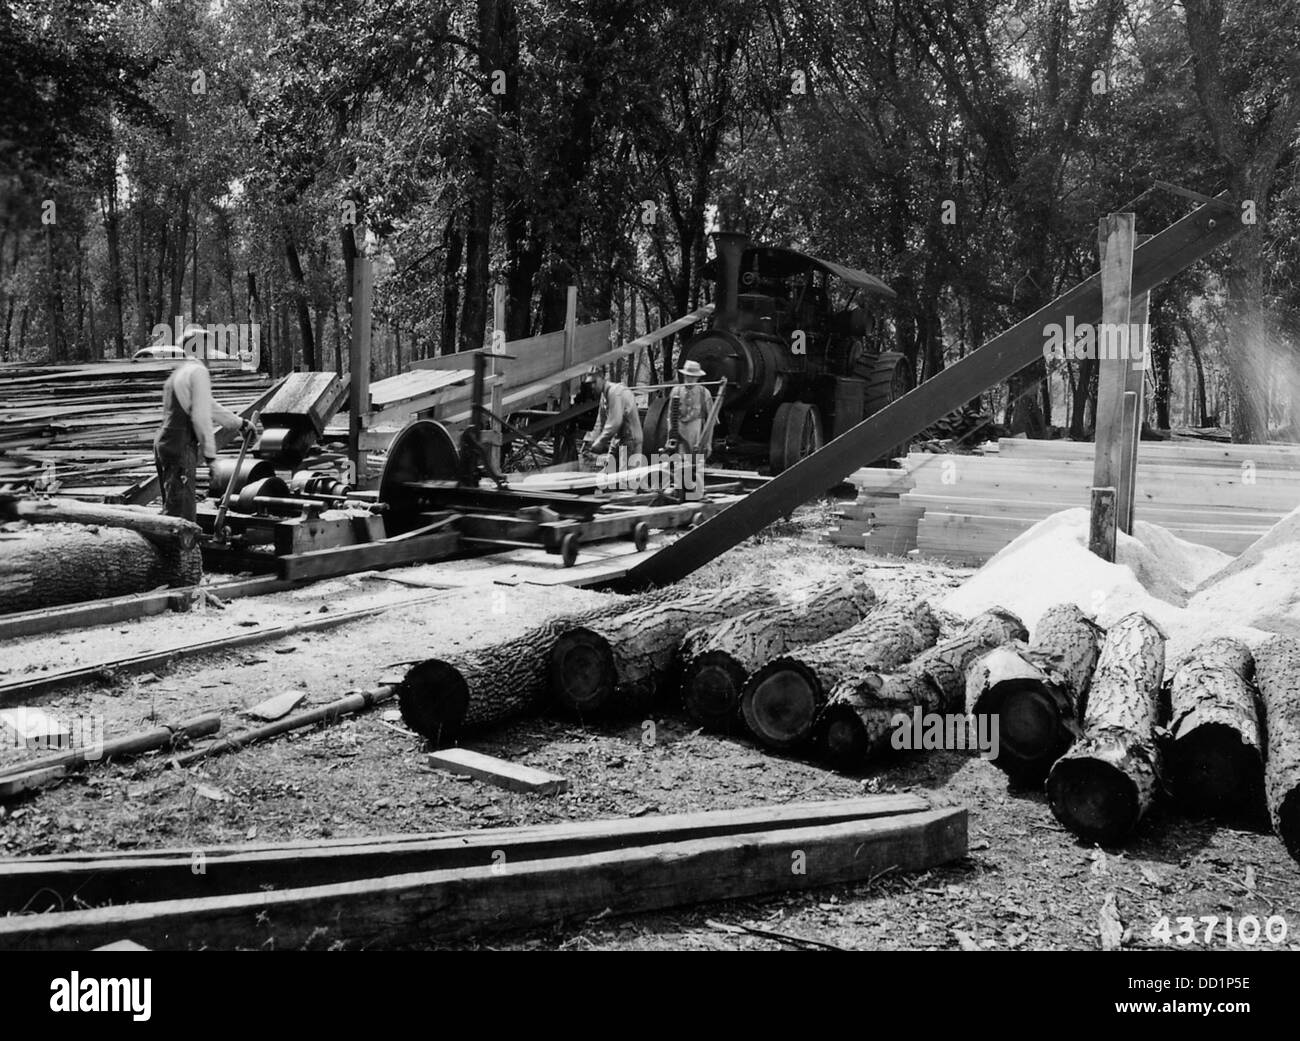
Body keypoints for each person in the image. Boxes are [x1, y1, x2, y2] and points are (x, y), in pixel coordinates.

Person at [154, 332, 254, 521]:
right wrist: (210, 457)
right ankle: (181, 550)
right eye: (206, 348)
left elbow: (208, 405)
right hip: (179, 446)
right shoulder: (198, 372)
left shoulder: (181, 372)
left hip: (166, 443)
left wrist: (239, 424)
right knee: (182, 516)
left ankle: (175, 548)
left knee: (172, 508)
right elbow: (201, 417)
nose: (210, 354)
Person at [582, 368, 643, 467]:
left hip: (631, 440)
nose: (592, 386)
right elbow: (600, 423)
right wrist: (589, 440)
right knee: (608, 473)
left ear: (602, 378)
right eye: (590, 383)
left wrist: (600, 442)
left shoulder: (615, 392)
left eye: (594, 382)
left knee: (625, 478)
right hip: (618, 440)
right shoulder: (604, 397)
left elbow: (615, 422)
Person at [664, 359, 714, 457]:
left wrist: (708, 443)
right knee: (679, 466)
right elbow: (669, 417)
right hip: (679, 431)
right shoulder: (676, 391)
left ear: (698, 377)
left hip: (697, 433)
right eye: (688, 376)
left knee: (696, 466)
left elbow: (710, 422)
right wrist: (669, 438)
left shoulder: (704, 393)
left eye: (693, 376)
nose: (690, 379)